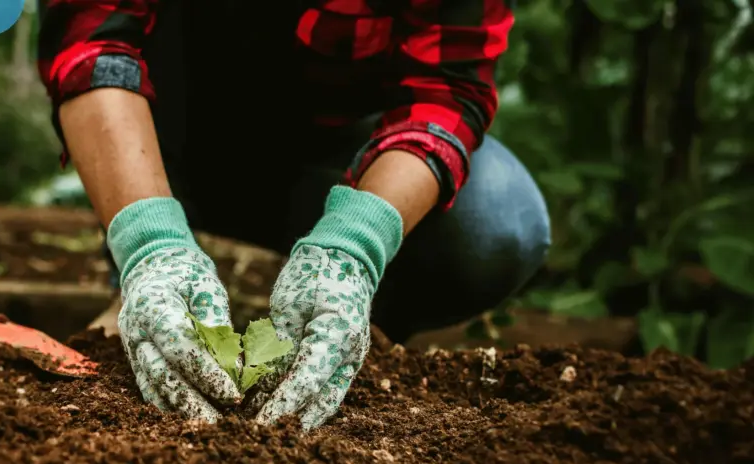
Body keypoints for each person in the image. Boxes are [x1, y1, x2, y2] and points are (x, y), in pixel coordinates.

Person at [36, 0, 550, 430]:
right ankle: (142, 284)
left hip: (335, 159)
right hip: (167, 137)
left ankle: (344, 326)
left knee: (497, 222)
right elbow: (90, 42)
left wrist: (354, 244)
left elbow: (446, 91)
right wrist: (149, 246)